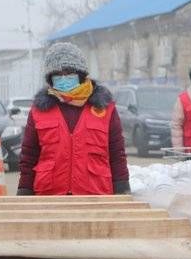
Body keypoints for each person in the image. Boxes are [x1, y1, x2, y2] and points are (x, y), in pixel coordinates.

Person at [18, 42, 130, 195]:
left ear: (81, 73)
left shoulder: (104, 107)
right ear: (50, 78)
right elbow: (29, 155)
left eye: (69, 72)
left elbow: (117, 154)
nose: (64, 78)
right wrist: (24, 190)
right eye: (58, 74)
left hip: (95, 197)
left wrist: (122, 189)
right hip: (49, 198)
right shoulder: (39, 111)